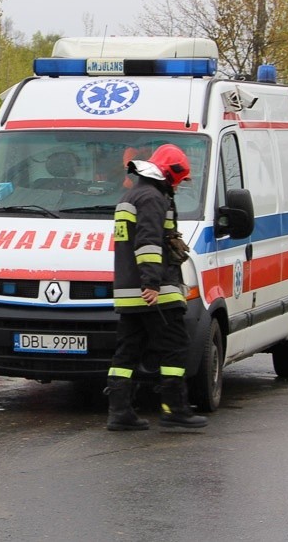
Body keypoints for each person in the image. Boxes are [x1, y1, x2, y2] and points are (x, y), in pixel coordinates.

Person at [106, 144, 206, 431]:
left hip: (128, 290)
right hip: (155, 290)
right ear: (169, 173)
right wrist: (151, 283)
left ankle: (120, 411)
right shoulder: (152, 198)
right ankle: (175, 408)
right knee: (175, 346)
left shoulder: (133, 195)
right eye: (178, 179)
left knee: (127, 352)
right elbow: (148, 242)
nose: (178, 185)